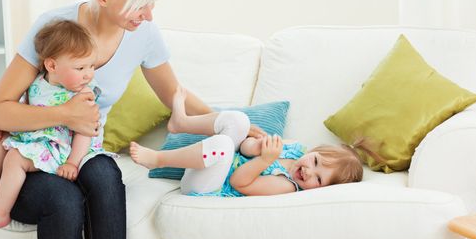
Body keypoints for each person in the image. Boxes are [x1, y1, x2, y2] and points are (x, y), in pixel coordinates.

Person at [0, 0, 263, 239]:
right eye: (140, 4)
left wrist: (228, 123)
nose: (148, 15)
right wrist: (64, 114)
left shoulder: (144, 35)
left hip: (80, 148)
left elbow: (174, 94)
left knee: (107, 176)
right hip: (35, 153)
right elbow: (0, 107)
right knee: (64, 201)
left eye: (152, 3)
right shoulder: (55, 28)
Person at [131, 87, 380, 196]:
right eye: (315, 161)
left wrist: (265, 159)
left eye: (319, 178)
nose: (308, 170)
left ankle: (158, 159)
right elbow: (244, 149)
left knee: (223, 146)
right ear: (312, 151)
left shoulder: (286, 185)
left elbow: (240, 182)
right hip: (214, 161)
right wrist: (256, 144)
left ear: (323, 189)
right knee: (240, 121)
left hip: (207, 186)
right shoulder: (293, 150)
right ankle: (182, 123)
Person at [0, 19, 109, 230]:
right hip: (34, 138)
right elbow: (24, 110)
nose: (88, 74)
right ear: (52, 65)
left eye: (91, 66)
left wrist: (73, 163)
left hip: (59, 147)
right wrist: (3, 129)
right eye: (80, 67)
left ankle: (0, 212)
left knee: (15, 158)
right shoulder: (37, 82)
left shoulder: (83, 93)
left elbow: (86, 131)